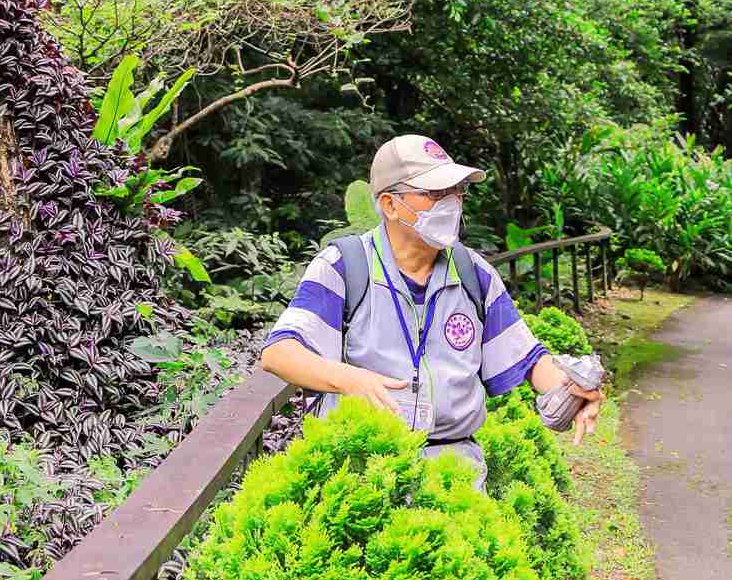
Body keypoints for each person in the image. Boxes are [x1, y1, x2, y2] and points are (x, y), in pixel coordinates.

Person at [258, 134, 604, 492]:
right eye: (436, 193)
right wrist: (350, 379)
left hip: (456, 477)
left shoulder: (475, 274)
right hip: (361, 475)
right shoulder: (344, 266)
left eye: (457, 192)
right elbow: (279, 353)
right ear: (390, 205)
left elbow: (528, 360)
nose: (453, 203)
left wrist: (573, 390)